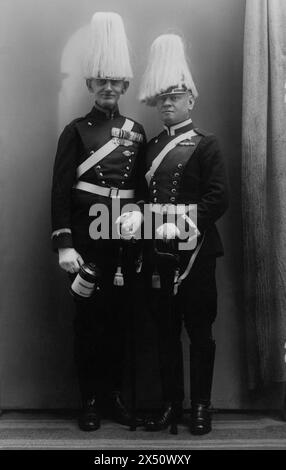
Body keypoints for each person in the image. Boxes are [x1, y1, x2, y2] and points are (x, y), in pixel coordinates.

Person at [51, 12, 145, 431]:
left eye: (116, 81)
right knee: (88, 323)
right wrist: (64, 244)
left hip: (123, 243)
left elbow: (144, 189)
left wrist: (139, 212)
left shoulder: (137, 131)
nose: (109, 87)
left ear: (125, 85)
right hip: (86, 241)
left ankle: (116, 399)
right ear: (90, 84)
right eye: (101, 80)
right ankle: (89, 401)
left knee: (122, 323)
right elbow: (59, 191)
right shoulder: (75, 131)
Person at [139, 34, 228, 435]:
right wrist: (135, 222)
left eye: (176, 96)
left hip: (197, 254)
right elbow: (143, 199)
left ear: (191, 99)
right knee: (164, 335)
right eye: (162, 98)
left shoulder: (206, 145)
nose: (168, 104)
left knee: (199, 332)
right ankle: (171, 406)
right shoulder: (152, 145)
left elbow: (218, 198)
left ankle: (201, 407)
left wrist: (185, 224)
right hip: (159, 253)